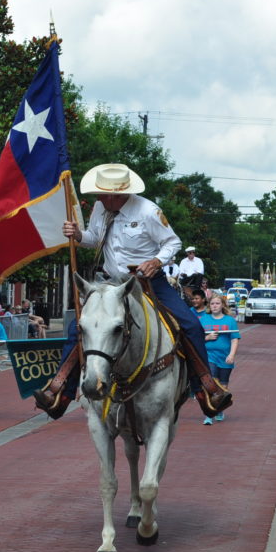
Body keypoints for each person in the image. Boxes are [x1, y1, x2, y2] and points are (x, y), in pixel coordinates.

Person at [32, 163, 233, 421]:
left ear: (119, 194)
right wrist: (78, 235)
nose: (99, 198)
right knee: (79, 328)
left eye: (103, 194)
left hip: (149, 282)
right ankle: (60, 391)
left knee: (191, 325)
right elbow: (95, 237)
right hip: (111, 283)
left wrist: (156, 262)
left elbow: (173, 242)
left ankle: (206, 389)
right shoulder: (100, 208)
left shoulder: (149, 211)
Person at [200, 294, 240, 425]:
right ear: (209, 306)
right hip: (208, 356)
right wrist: (207, 338)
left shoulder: (229, 320)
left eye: (217, 303)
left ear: (223, 305)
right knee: (210, 385)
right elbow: (195, 338)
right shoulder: (203, 320)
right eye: (212, 304)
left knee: (223, 385)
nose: (214, 306)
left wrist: (232, 355)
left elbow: (234, 339)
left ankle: (220, 409)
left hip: (225, 357)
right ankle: (208, 414)